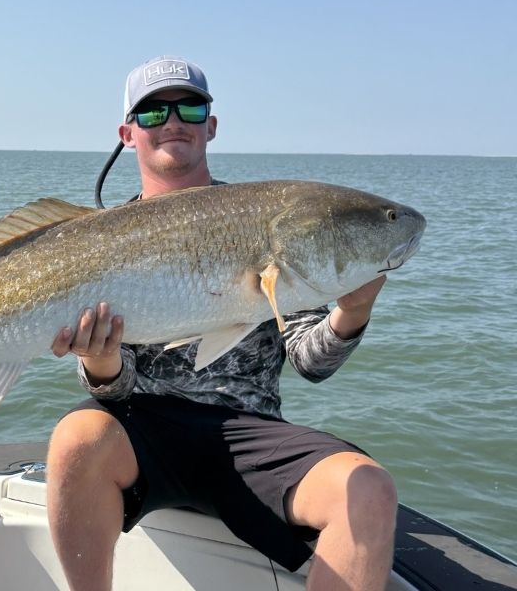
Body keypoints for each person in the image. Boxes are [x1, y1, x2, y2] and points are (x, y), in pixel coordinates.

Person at [47, 55, 396, 591]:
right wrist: (98, 358)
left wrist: (352, 311)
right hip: (144, 430)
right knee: (76, 438)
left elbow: (309, 360)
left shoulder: (271, 222)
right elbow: (113, 391)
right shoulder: (99, 239)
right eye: (152, 111)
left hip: (251, 433)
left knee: (368, 489)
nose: (172, 120)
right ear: (127, 132)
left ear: (210, 124)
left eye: (189, 106)